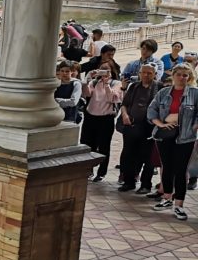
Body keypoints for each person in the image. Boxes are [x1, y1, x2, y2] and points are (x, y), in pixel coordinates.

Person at [148, 64, 198, 221]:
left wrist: (195, 126)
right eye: (179, 74)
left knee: (181, 170)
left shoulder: (194, 93)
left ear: (189, 77)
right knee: (167, 166)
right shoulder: (163, 92)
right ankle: (167, 198)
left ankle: (179, 205)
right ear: (174, 75)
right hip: (165, 136)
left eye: (185, 75)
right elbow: (152, 110)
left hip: (185, 137)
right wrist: (160, 124)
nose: (182, 78)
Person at [117, 62, 158, 194]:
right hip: (132, 125)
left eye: (149, 73)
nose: (145, 75)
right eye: (143, 72)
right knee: (129, 155)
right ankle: (129, 182)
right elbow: (124, 104)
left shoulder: (159, 88)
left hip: (149, 128)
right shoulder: (134, 86)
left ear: (155, 74)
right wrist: (125, 115)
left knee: (147, 157)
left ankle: (146, 184)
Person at [81, 65, 122, 183]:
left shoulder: (116, 83)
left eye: (107, 71)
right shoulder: (94, 82)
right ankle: (88, 170)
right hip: (90, 117)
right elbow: (86, 94)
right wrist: (87, 79)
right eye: (102, 70)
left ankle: (101, 172)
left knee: (104, 146)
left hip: (106, 118)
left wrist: (106, 84)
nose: (104, 73)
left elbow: (112, 98)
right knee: (87, 145)